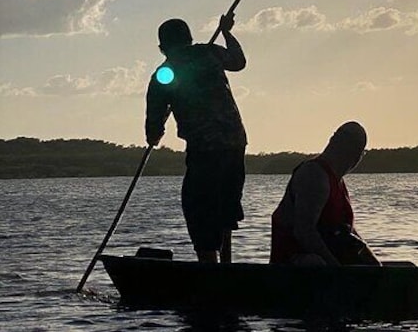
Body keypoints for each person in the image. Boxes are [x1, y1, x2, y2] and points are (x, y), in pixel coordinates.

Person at [145, 14, 247, 264]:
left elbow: (154, 122)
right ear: (190, 39)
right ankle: (226, 266)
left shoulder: (165, 74)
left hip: (205, 149)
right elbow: (239, 61)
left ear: (162, 48)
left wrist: (154, 135)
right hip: (235, 143)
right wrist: (226, 32)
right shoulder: (209, 53)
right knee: (224, 207)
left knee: (199, 208)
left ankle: (209, 269)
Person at [270, 121, 380, 266]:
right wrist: (335, 267)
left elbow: (350, 234)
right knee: (315, 263)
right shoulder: (314, 175)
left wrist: (377, 267)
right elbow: (304, 232)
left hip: (329, 264)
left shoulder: (338, 182)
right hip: (292, 265)